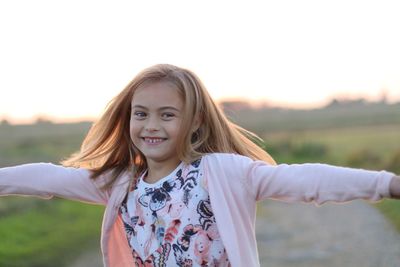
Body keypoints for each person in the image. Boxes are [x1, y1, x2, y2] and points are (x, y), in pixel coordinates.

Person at [1, 64, 399, 267]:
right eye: (141, 114)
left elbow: (302, 180)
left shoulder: (224, 173)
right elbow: (49, 178)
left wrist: (387, 183)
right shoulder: (120, 183)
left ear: (195, 122)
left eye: (167, 115)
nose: (151, 125)